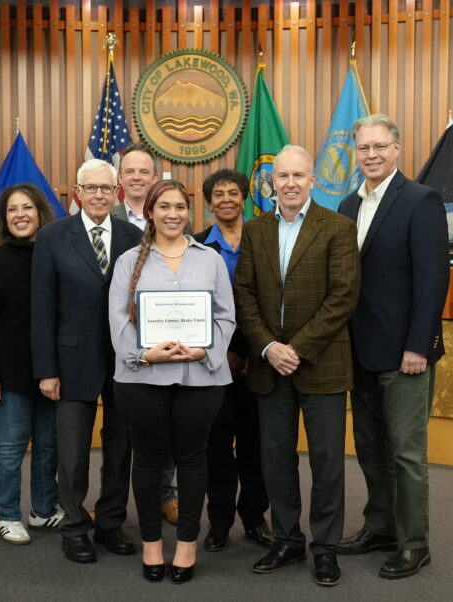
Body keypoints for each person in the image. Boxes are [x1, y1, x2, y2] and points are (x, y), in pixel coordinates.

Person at [234, 145, 360, 586]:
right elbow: (243, 294)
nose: (288, 183)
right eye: (281, 176)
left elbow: (343, 296)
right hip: (270, 365)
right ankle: (287, 539)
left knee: (327, 462)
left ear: (312, 181)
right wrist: (268, 346)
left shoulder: (339, 228)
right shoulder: (255, 230)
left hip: (321, 363)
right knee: (275, 459)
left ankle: (325, 547)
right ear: (273, 183)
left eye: (297, 176)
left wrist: (297, 348)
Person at [335, 114, 449, 579]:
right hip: (358, 352)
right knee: (370, 449)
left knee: (406, 452)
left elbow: (432, 279)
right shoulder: (346, 205)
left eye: (380, 146)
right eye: (363, 148)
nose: (371, 155)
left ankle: (414, 542)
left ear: (397, 149)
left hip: (405, 354)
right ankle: (379, 526)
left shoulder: (421, 201)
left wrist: (418, 346)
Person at [109, 179, 236, 584]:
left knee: (193, 458)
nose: (172, 214)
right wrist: (145, 354)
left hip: (201, 376)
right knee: (146, 459)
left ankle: (186, 544)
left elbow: (225, 316)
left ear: (189, 211)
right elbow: (118, 320)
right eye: (163, 206)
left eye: (180, 206)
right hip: (141, 378)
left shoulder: (210, 259)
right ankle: (151, 542)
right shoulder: (129, 261)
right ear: (150, 211)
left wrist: (205, 351)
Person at [31, 159, 143, 564]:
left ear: (116, 193)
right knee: (73, 453)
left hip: (126, 361)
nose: (98, 195)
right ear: (76, 193)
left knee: (120, 448)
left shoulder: (134, 236)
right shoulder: (53, 236)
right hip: (71, 361)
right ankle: (75, 526)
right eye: (90, 188)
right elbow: (42, 309)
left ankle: (111, 522)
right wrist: (46, 370)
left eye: (105, 189)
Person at [0, 184, 62, 546]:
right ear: (4, 219)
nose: (20, 214)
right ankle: (8, 515)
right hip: (9, 378)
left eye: (27, 207)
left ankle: (43, 510)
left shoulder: (54, 255)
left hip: (50, 374)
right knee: (9, 449)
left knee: (48, 446)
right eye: (12, 210)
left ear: (40, 211)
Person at [195, 169, 274, 553]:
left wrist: (253, 349)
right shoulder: (195, 246)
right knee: (216, 446)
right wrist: (220, 351)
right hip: (213, 362)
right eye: (218, 194)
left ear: (244, 197)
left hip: (261, 358)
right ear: (209, 202)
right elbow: (192, 306)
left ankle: (256, 519)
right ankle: (220, 521)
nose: (226, 199)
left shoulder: (265, 238)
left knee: (256, 445)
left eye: (233, 192)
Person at [108, 142, 179, 526]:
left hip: (167, 347)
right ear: (120, 179)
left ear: (155, 178)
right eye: (129, 172)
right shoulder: (106, 217)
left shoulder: (170, 218)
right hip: (117, 343)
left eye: (144, 172)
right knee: (119, 434)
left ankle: (166, 496)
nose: (137, 177)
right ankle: (113, 506)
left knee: (164, 429)